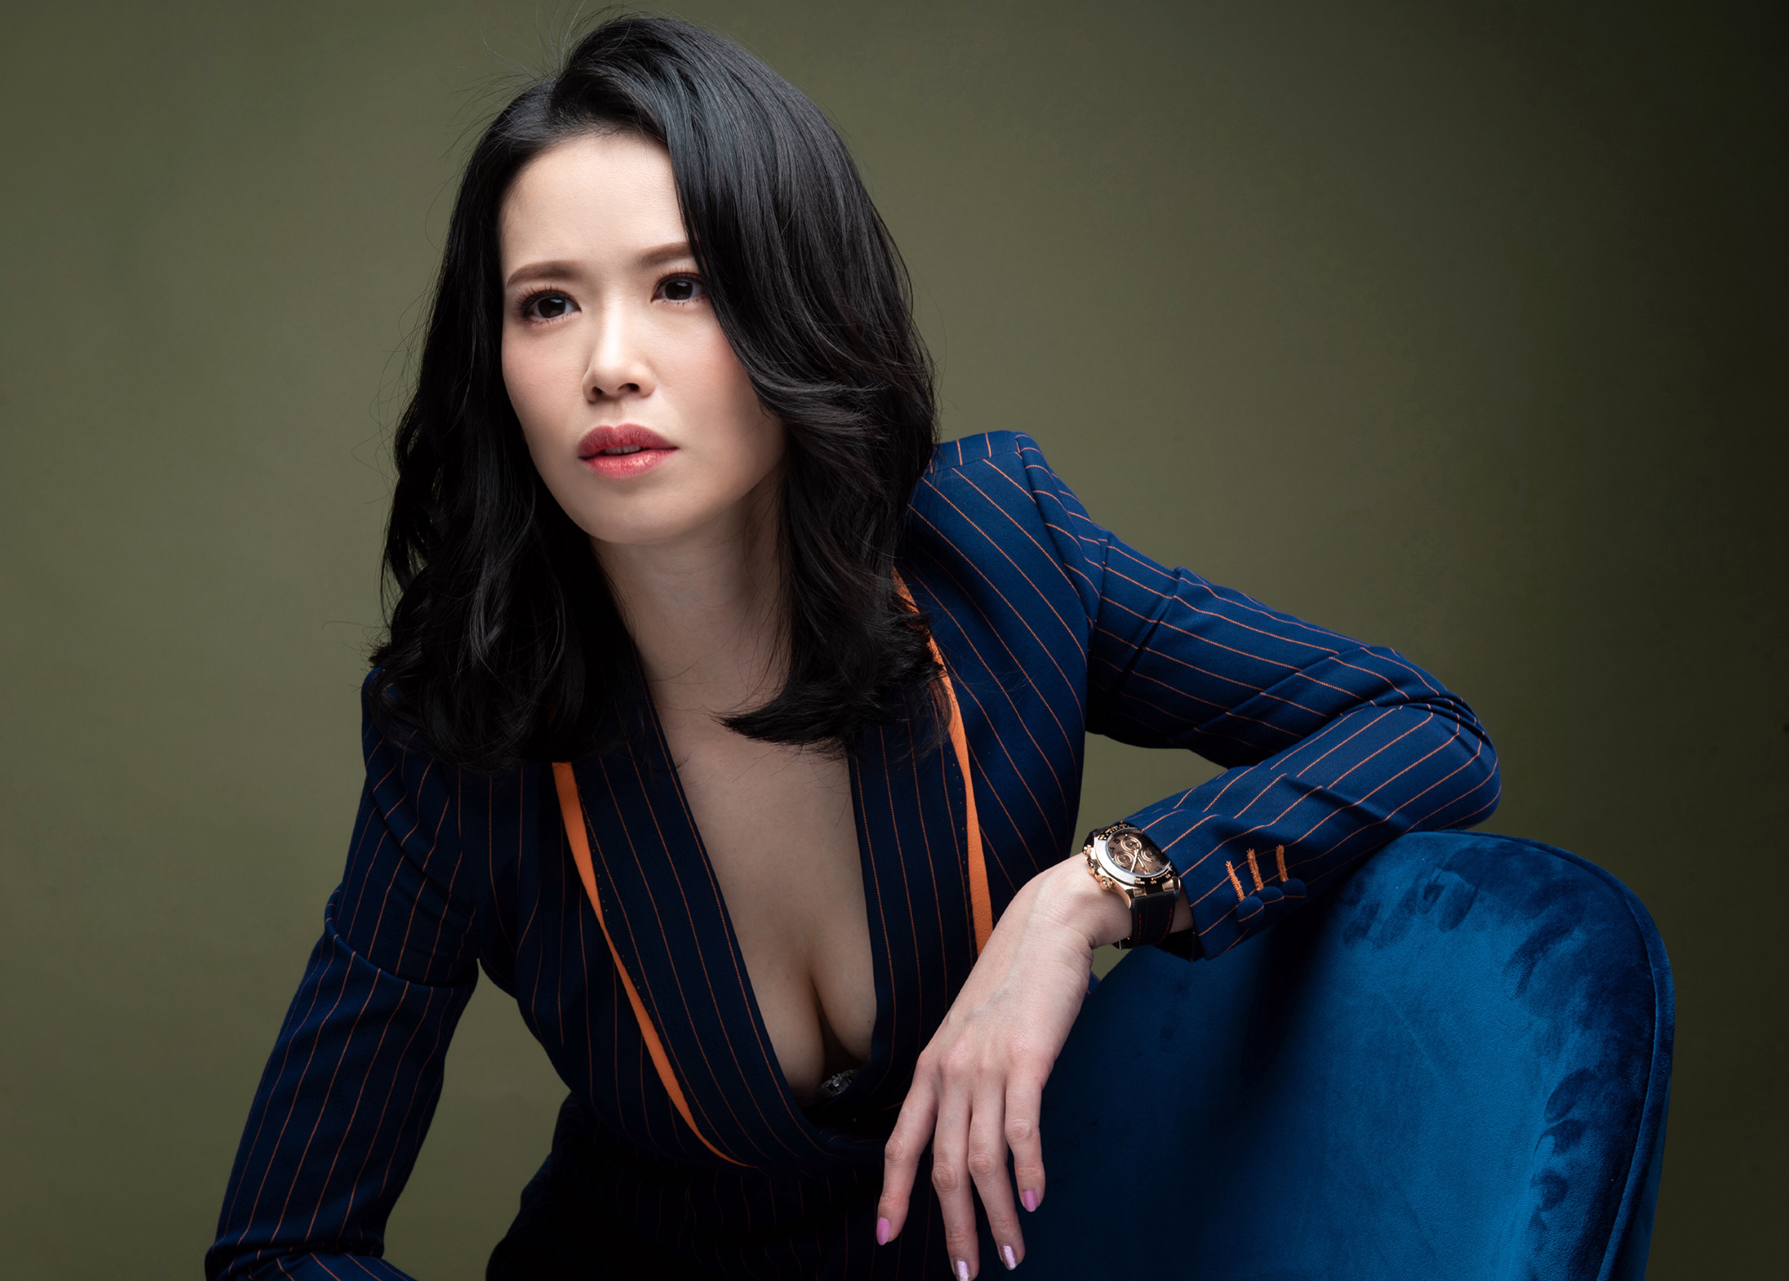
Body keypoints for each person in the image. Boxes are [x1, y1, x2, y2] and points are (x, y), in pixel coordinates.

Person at [205, 15, 1500, 1281]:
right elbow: (282, 1244)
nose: (609, 363)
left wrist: (1082, 898)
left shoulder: (999, 555)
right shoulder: (461, 731)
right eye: (547, 304)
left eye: (680, 285)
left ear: (794, 300)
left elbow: (1424, 733)